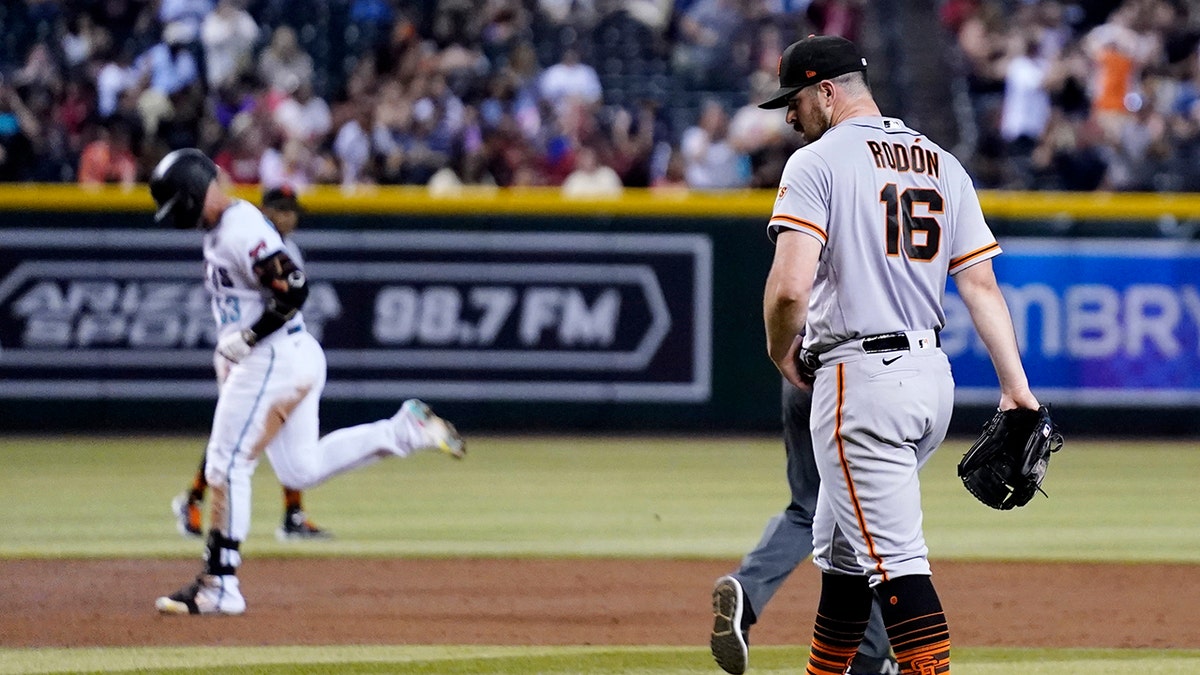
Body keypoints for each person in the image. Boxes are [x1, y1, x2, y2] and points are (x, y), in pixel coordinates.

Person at [757, 35, 1041, 674]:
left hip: (861, 381)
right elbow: (980, 285)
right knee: (841, 555)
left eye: (795, 100)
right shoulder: (942, 162)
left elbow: (788, 291)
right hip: (928, 379)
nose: (788, 115)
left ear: (827, 92)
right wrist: (1017, 389)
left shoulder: (817, 162)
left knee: (897, 565)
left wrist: (781, 352)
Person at [149, 149, 466, 615]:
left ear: (198, 191)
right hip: (287, 357)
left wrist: (249, 339)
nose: (183, 218)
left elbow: (295, 287)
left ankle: (220, 585)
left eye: (182, 204)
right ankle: (404, 430)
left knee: (227, 464)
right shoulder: (224, 229)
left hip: (271, 358)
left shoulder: (241, 228)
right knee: (299, 470)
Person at [171, 185, 334, 541]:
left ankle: (291, 512)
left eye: (294, 210)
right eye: (283, 209)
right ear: (268, 209)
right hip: (245, 350)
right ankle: (195, 502)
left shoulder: (276, 245)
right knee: (235, 437)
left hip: (262, 348)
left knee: (260, 430)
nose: (291, 217)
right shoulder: (246, 234)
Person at [710, 383, 897, 675]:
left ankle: (747, 590)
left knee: (807, 510)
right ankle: (870, 656)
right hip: (864, 380)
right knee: (864, 515)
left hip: (803, 378)